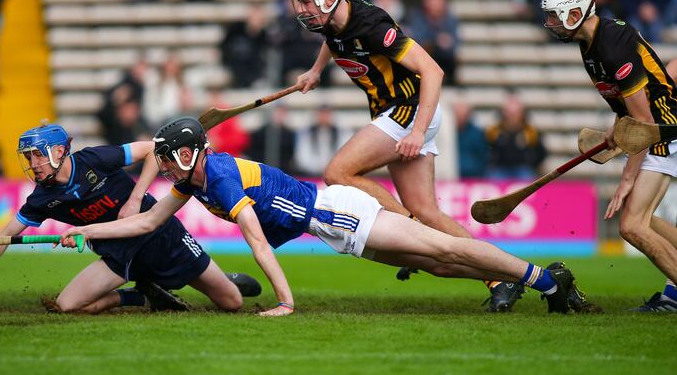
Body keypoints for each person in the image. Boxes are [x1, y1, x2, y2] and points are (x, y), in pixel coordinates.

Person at [288, 0, 591, 312]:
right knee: (428, 213)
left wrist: (417, 132)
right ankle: (501, 276)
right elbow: (333, 40)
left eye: (307, 2)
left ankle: (406, 229)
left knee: (338, 173)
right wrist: (315, 71)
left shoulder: (371, 24)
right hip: (397, 114)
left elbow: (433, 70)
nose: (301, 10)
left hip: (409, 110)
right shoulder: (335, 22)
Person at [60, 117, 581, 317]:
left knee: (442, 248)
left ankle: (545, 279)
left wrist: (287, 301)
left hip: (337, 211)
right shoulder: (187, 181)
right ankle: (546, 280)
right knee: (440, 266)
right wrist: (85, 232)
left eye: (171, 156)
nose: (166, 165)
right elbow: (146, 224)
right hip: (328, 226)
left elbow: (258, 244)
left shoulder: (216, 177)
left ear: (192, 152)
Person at [0, 124, 260, 314]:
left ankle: (224, 280)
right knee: (67, 306)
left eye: (37, 155)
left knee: (231, 303)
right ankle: (140, 296)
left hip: (156, 231)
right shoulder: (41, 198)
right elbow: (6, 235)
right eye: (28, 157)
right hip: (116, 253)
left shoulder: (93, 159)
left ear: (58, 151)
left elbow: (153, 150)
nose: (32, 164)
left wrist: (136, 197)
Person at [540, 0, 677, 312]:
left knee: (631, 225)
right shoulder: (590, 46)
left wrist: (627, 178)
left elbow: (642, 122)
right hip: (656, 127)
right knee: (643, 221)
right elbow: (626, 108)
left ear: (577, 12)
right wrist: (614, 132)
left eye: (557, 16)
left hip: (664, 129)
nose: (551, 24)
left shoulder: (612, 45)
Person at [485, 94, 547, 180]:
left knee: (527, 179)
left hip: (523, 169)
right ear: (504, 112)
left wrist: (532, 165)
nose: (512, 116)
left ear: (522, 113)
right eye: (509, 112)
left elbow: (541, 152)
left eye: (516, 112)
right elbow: (485, 150)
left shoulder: (531, 131)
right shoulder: (494, 131)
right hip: (500, 168)